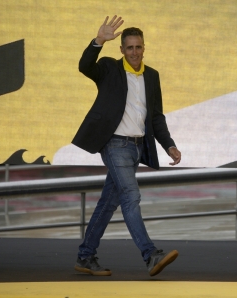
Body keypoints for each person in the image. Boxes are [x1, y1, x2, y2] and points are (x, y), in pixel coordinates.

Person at [72, 15, 182, 277]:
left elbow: (156, 116)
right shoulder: (109, 68)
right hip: (114, 144)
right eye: (129, 47)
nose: (134, 52)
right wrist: (99, 40)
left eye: (138, 47)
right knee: (131, 196)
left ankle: (85, 256)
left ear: (144, 48)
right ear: (121, 50)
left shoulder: (152, 76)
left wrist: (169, 145)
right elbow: (85, 66)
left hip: (136, 148)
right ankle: (150, 254)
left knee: (108, 204)